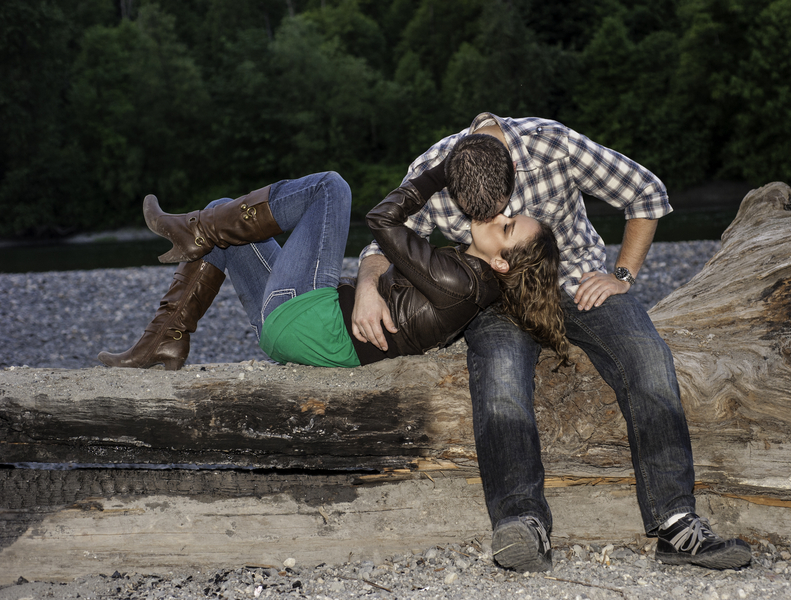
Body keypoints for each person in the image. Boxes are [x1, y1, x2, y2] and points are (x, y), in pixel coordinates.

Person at [352, 114, 753, 572]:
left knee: (647, 357)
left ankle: (676, 522)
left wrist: (622, 275)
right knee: (500, 374)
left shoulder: (554, 146)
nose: (494, 219)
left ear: (513, 176)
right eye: (474, 217)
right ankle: (522, 523)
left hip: (579, 282)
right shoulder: (433, 166)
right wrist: (367, 287)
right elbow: (382, 241)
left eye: (501, 209)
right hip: (495, 299)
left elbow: (647, 193)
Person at [98, 168, 566, 371]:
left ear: (502, 262)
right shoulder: (468, 279)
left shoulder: (459, 281)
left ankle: (193, 228)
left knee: (332, 189)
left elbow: (381, 220)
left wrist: (441, 172)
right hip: (298, 330)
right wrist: (369, 285)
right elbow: (381, 260)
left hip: (310, 319)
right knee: (225, 215)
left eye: (506, 226)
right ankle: (164, 341)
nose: (498, 215)